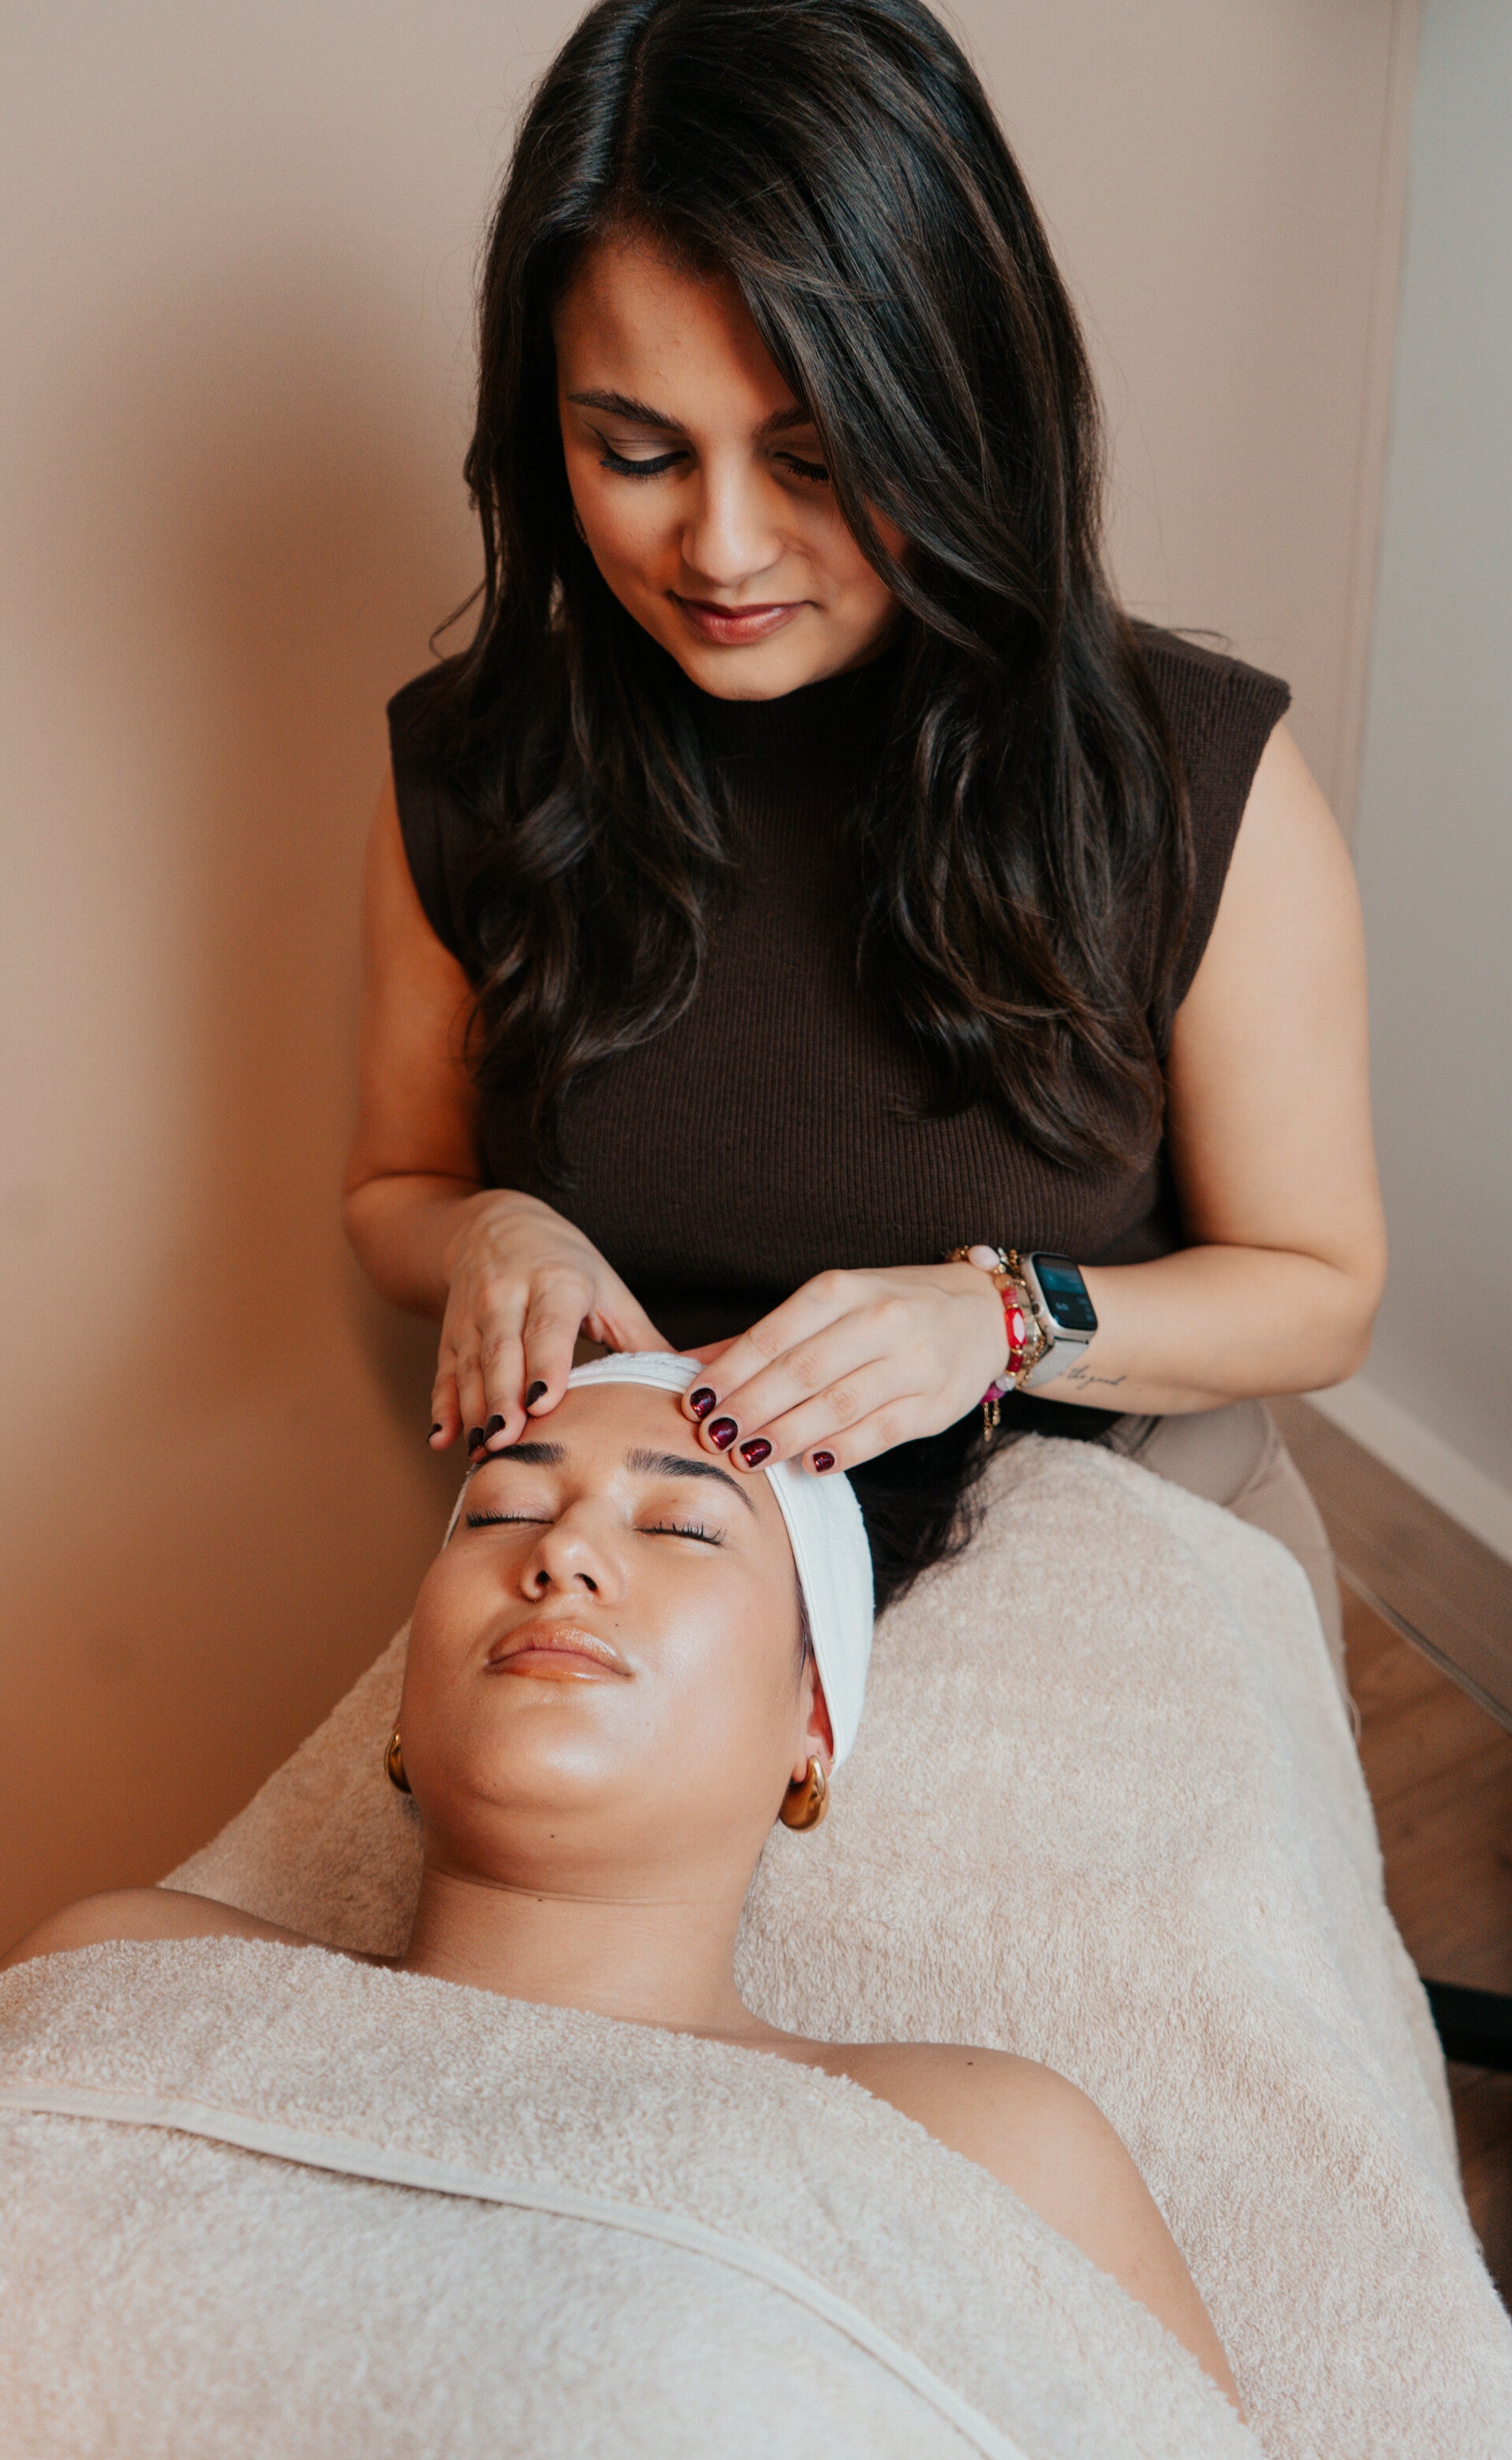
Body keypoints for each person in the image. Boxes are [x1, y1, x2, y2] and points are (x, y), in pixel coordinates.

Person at [342, 0, 1384, 1646]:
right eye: (636, 451)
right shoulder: (475, 767)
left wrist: (1003, 1317)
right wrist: (492, 1225)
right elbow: (396, 1184)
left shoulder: (1186, 773)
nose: (723, 547)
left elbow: (1320, 1293)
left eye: (816, 459)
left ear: (956, 409)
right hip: (668, 1585)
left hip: (1112, 1519)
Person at [3, 1354, 1242, 2417]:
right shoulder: (121, 1966)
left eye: (683, 1527)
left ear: (812, 1724)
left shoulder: (989, 2140)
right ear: (402, 1708)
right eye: (502, 1510)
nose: (564, 1551)